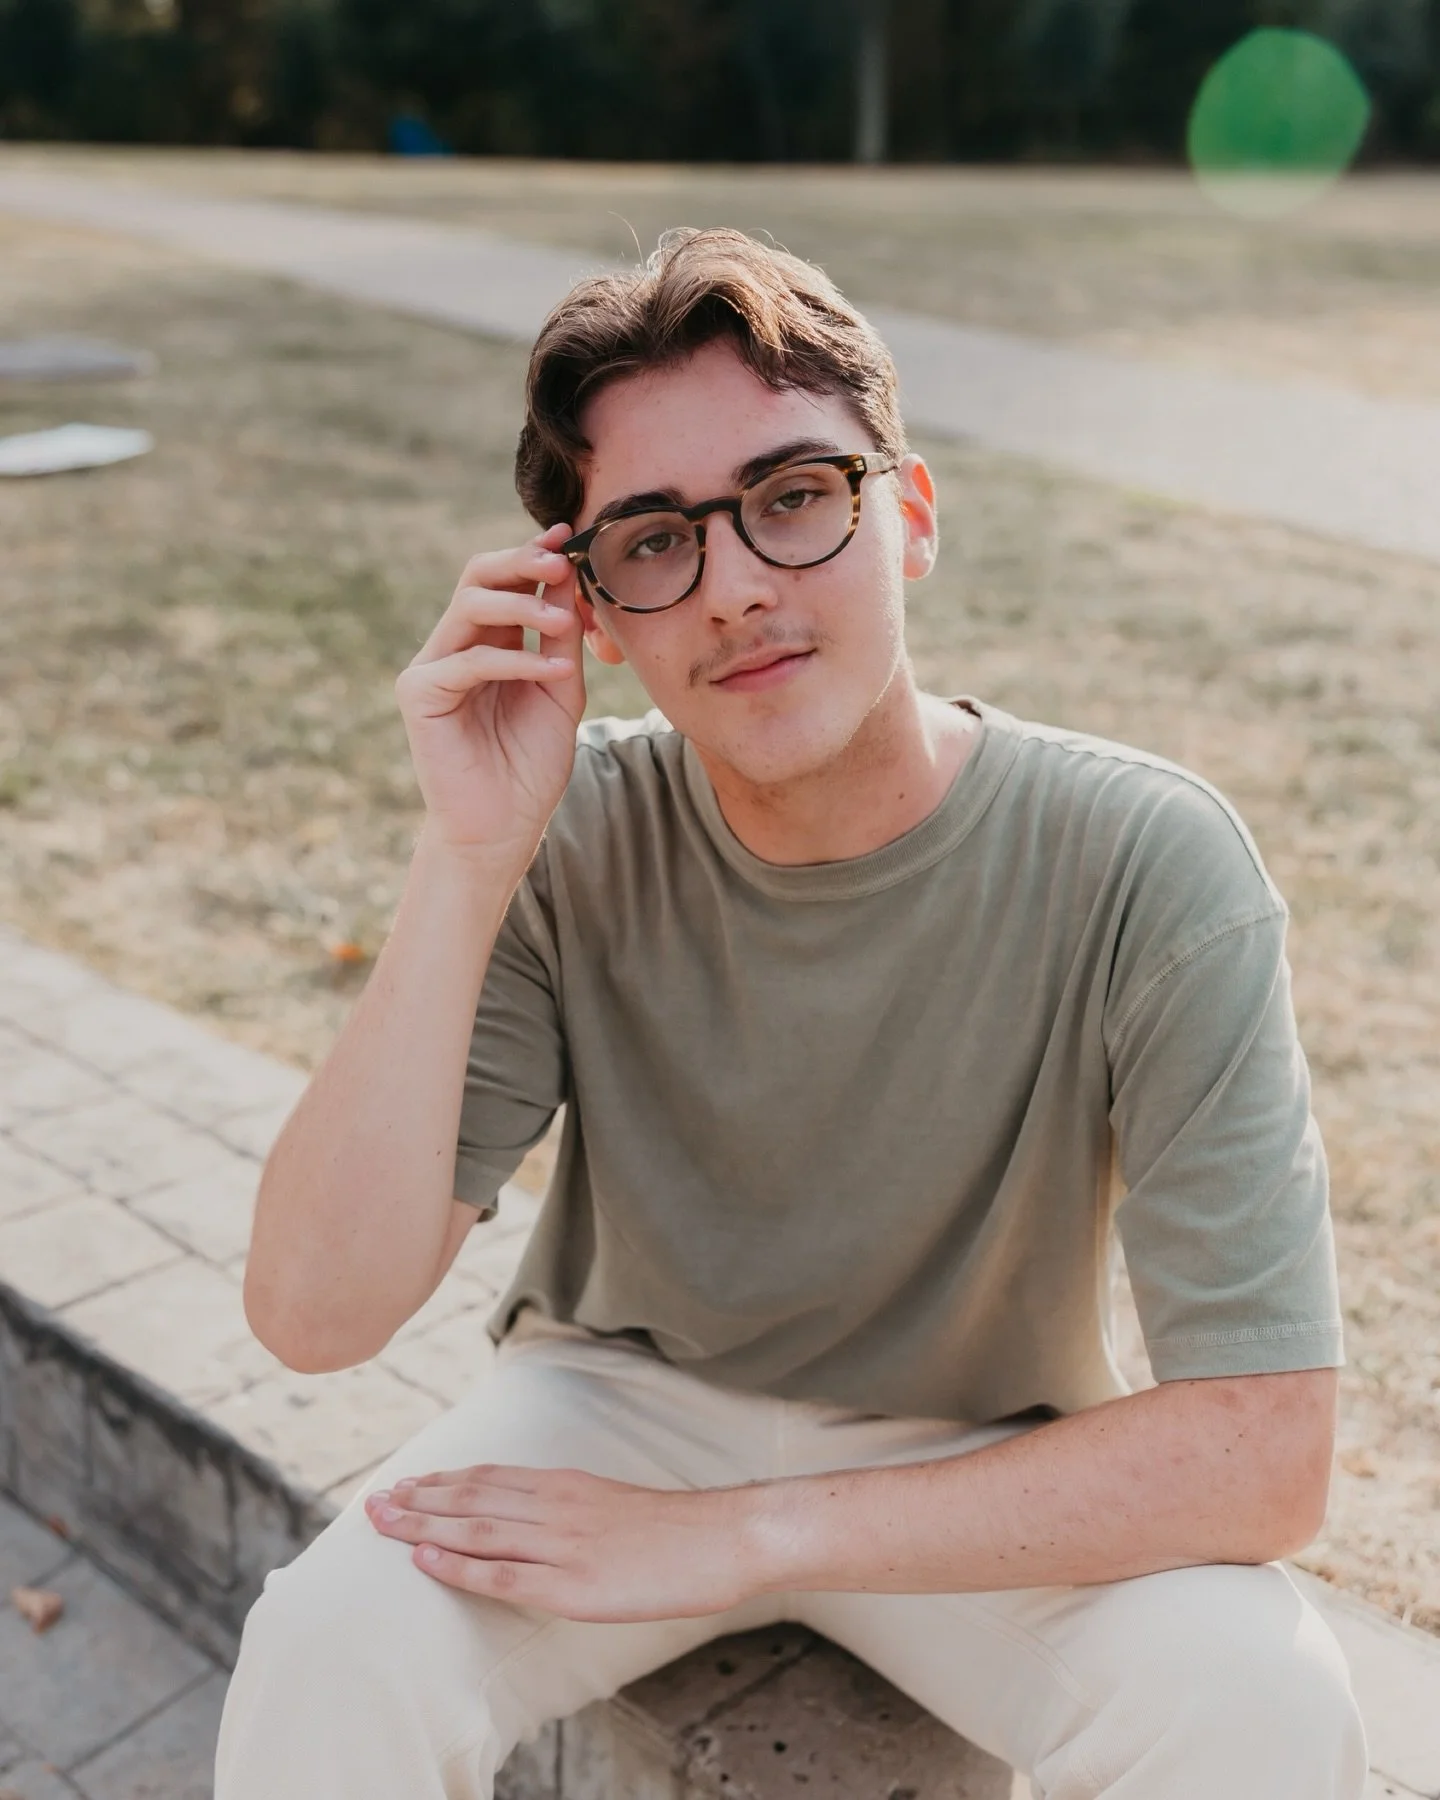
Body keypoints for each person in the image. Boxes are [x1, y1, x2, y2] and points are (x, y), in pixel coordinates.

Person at [216, 227, 1367, 1799]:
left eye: (795, 497)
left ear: (910, 518)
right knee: (327, 1645)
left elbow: (1265, 1451)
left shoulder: (1146, 860)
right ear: (595, 607)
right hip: (618, 1400)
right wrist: (467, 853)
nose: (740, 586)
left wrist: (745, 1533)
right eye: (653, 539)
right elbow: (311, 1312)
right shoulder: (571, 832)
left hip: (981, 1438)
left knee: (1260, 1698)